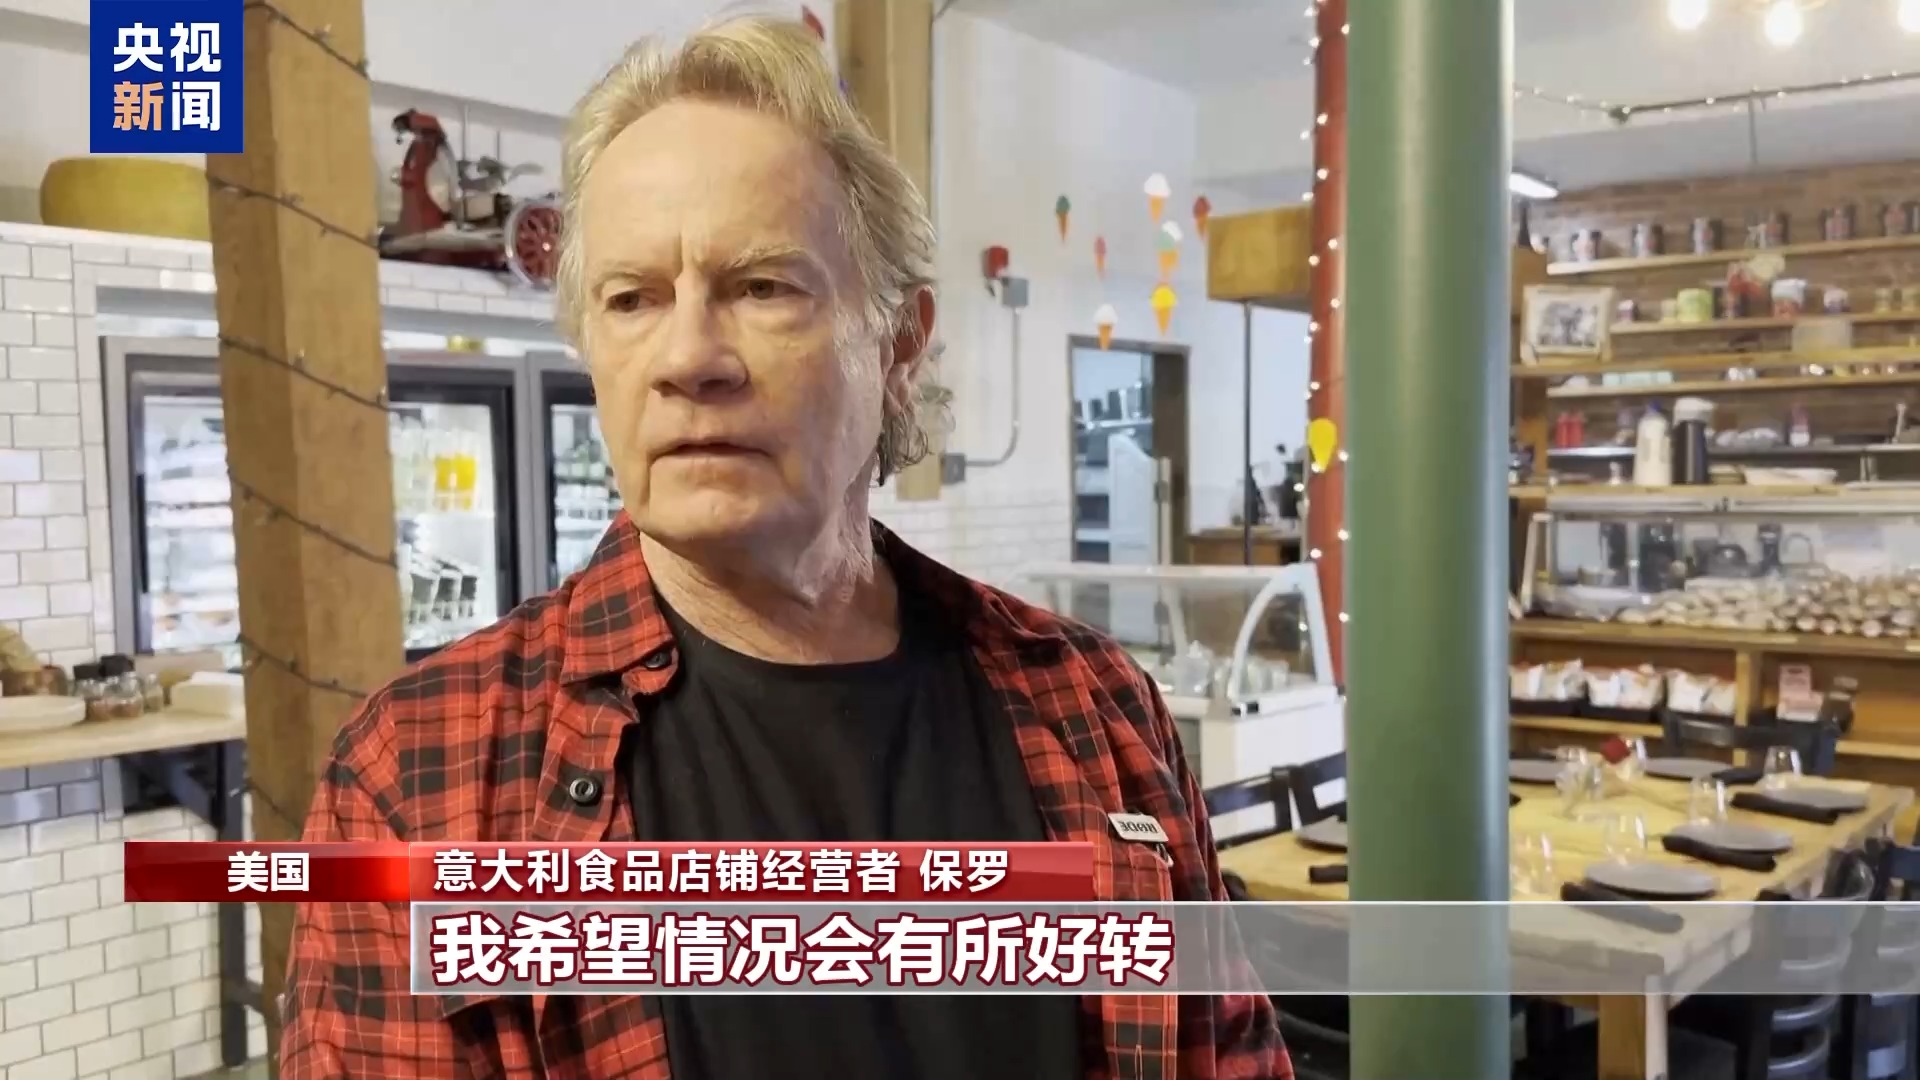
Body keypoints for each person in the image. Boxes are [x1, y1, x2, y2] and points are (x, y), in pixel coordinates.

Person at [280, 15, 1287, 1080]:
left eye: (761, 286)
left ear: (898, 346)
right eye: (632, 299)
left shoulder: (1096, 708)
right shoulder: (421, 779)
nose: (688, 358)